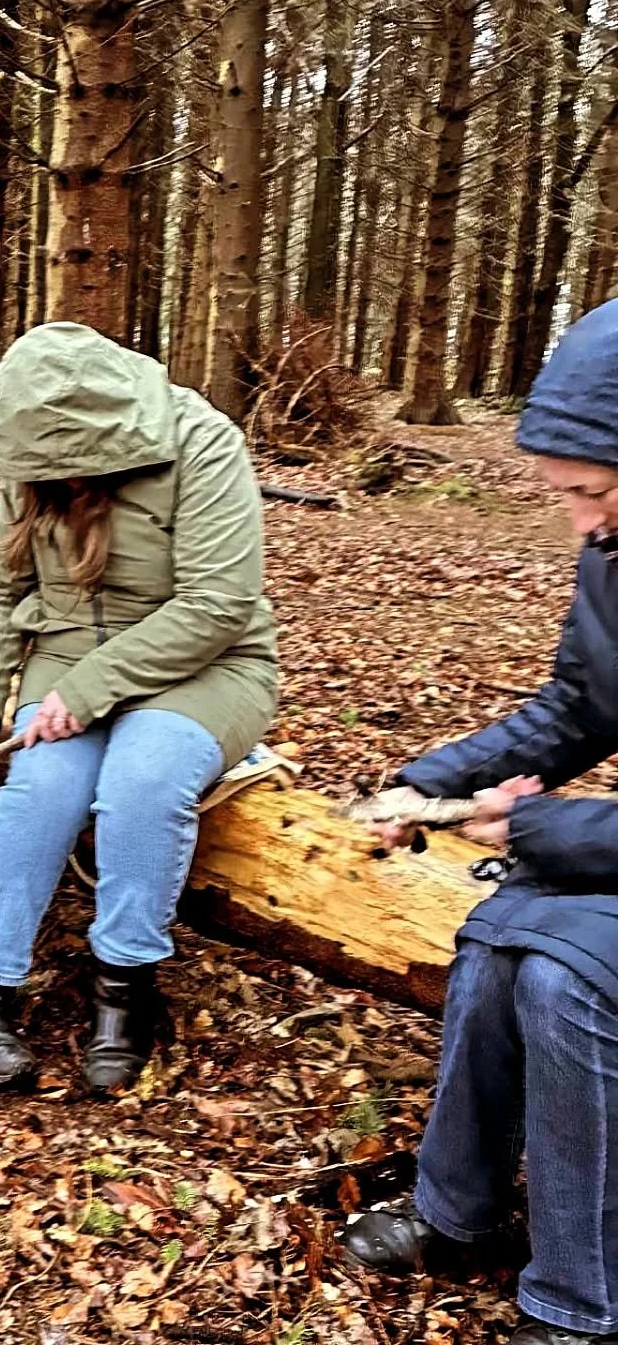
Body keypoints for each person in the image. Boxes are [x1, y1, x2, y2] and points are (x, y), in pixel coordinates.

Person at [344, 298, 618, 1345]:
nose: (579, 522)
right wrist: (432, 782)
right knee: (497, 943)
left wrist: (544, 834)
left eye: (589, 492)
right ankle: (456, 1213)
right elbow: (578, 708)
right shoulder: (613, 550)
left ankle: (586, 1303)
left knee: (566, 979)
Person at [0, 322, 279, 1093]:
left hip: (208, 664)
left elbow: (219, 604)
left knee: (145, 780)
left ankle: (123, 991)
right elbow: (1, 587)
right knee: (43, 788)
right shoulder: (30, 455)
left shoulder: (202, 442)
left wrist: (93, 688)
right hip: (64, 653)